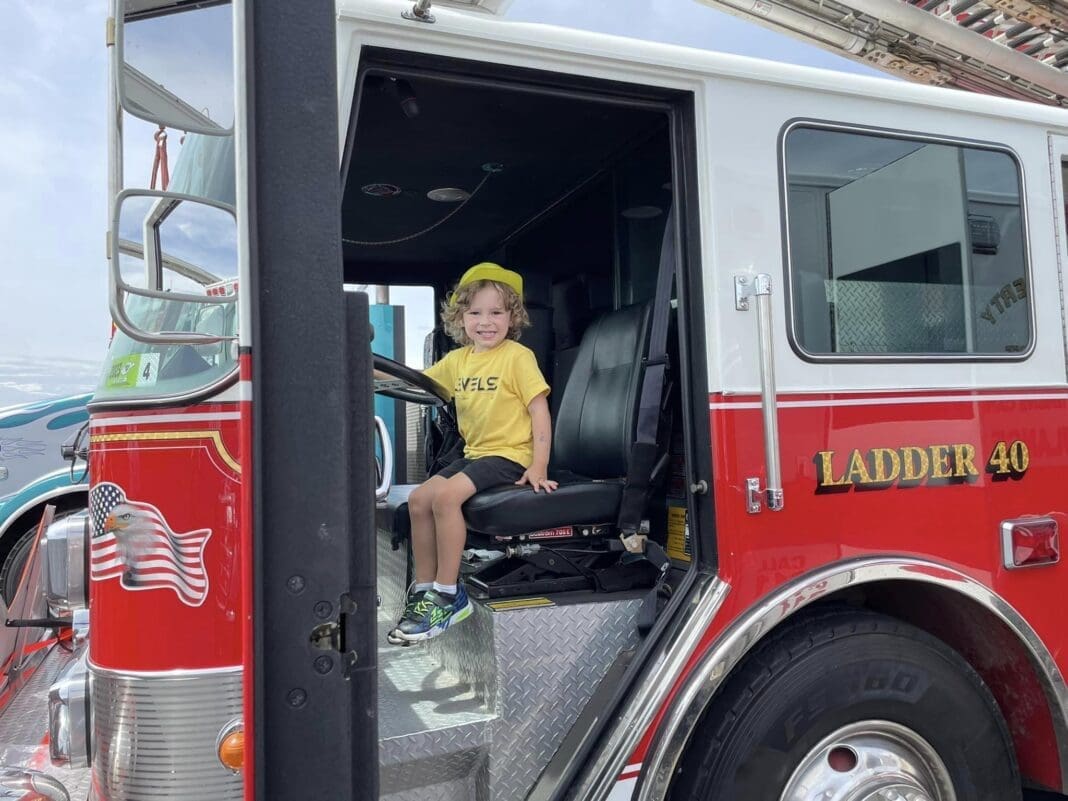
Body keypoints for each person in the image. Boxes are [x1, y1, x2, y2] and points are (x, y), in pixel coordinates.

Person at [388, 262, 556, 643]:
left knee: (445, 498)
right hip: (477, 454)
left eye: (496, 312)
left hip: (510, 454)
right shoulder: (459, 360)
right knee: (418, 500)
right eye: (475, 312)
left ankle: (449, 594)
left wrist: (539, 464)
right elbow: (417, 380)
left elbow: (539, 411)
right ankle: (425, 589)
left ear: (512, 317)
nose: (486, 321)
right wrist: (364, 368)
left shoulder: (517, 356)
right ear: (460, 317)